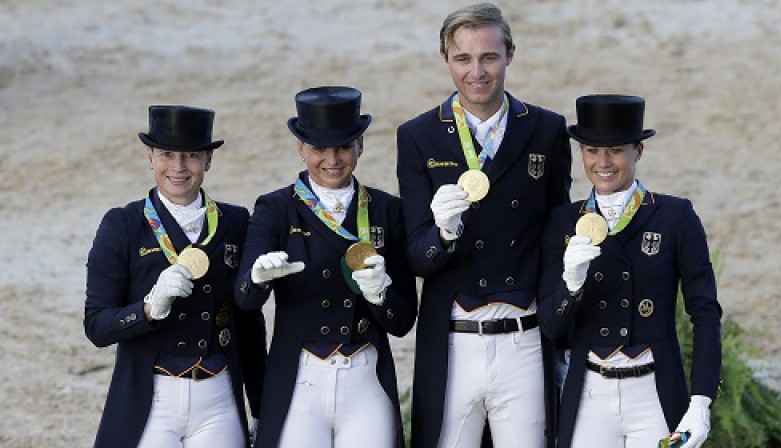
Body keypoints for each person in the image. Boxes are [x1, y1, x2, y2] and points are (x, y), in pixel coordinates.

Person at [395, 3, 572, 447]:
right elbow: (415, 254)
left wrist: (563, 332)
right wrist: (443, 234)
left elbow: (557, 236)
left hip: (524, 335)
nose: (477, 71)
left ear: (510, 53)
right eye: (463, 59)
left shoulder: (547, 129)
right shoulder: (417, 135)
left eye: (488, 57)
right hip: (454, 338)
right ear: (446, 60)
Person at [234, 86, 418, 448]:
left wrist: (381, 294)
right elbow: (244, 300)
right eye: (319, 148)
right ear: (301, 148)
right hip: (302, 378)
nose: (332, 159)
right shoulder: (275, 209)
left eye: (343, 147)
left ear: (360, 145)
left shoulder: (385, 210)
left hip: (365, 377)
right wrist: (257, 280)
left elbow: (402, 321)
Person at [538, 94, 722, 447]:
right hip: (589, 394)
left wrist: (701, 400)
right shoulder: (562, 221)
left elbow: (705, 312)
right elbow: (550, 324)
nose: (603, 162)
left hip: (653, 391)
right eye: (592, 151)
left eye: (616, 150)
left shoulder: (675, 216)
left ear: (638, 151)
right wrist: (570, 285)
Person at [84, 105, 266, 447]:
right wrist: (149, 308)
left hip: (218, 400)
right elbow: (97, 326)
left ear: (208, 160)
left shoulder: (237, 222)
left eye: (192, 156)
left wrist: (261, 406)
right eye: (167, 154)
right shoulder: (122, 225)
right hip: (153, 399)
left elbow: (249, 325)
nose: (179, 168)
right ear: (150, 156)